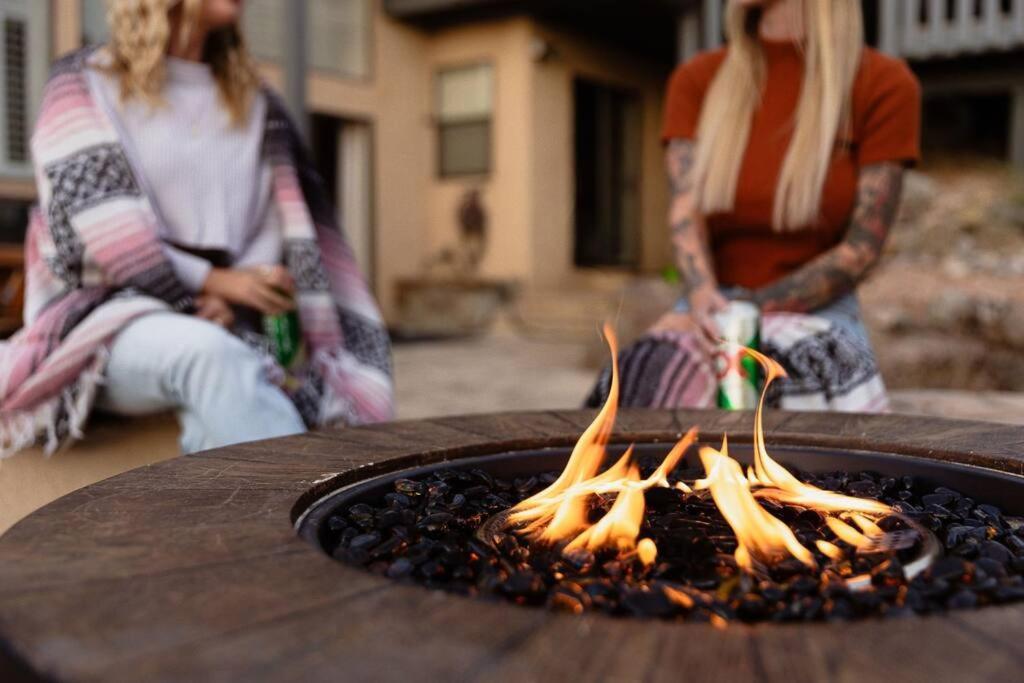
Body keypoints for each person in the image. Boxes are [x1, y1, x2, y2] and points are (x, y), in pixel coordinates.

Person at [0, 0, 394, 457]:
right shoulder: (82, 84)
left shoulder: (257, 101)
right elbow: (97, 230)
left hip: (228, 319)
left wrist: (237, 294)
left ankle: (244, 528)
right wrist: (209, 287)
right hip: (101, 318)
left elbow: (279, 224)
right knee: (208, 356)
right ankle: (309, 513)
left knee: (220, 386)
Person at [588, 0, 920, 412]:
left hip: (819, 310)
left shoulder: (882, 83)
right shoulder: (698, 80)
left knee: (776, 383)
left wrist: (744, 314)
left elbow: (861, 249)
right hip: (708, 302)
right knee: (636, 378)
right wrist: (703, 296)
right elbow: (685, 213)